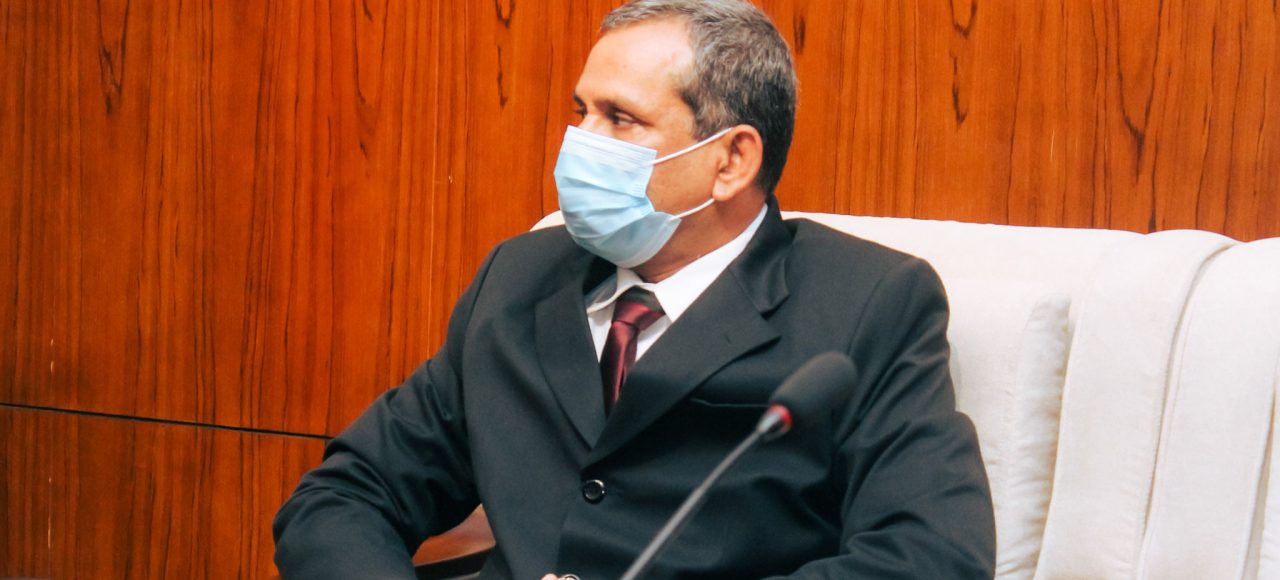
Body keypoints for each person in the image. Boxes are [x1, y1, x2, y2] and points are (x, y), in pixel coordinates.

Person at [272, 1, 996, 578]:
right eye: (581, 111)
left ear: (731, 160)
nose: (578, 143)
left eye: (620, 119)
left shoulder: (871, 303)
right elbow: (346, 496)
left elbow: (929, 557)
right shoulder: (519, 278)